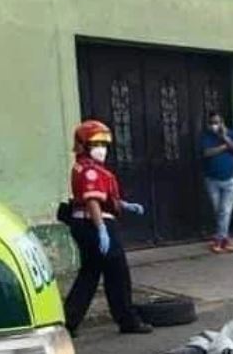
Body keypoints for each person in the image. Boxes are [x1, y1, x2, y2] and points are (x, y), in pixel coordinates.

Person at [64, 120, 152, 336]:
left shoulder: (87, 167)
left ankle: (69, 322)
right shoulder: (90, 171)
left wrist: (124, 205)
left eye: (104, 144)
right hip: (94, 223)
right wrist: (101, 228)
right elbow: (93, 201)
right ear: (84, 145)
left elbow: (104, 198)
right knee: (117, 273)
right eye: (96, 144)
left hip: (85, 223)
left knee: (90, 273)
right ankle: (127, 320)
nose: (101, 149)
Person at [201, 112, 233, 254]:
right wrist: (224, 147)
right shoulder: (206, 136)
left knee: (225, 211)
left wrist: (224, 137)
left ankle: (219, 241)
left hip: (229, 180)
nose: (215, 125)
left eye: (218, 122)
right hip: (212, 180)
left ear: (222, 122)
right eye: (213, 122)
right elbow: (207, 153)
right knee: (219, 211)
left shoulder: (231, 134)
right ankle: (225, 239)